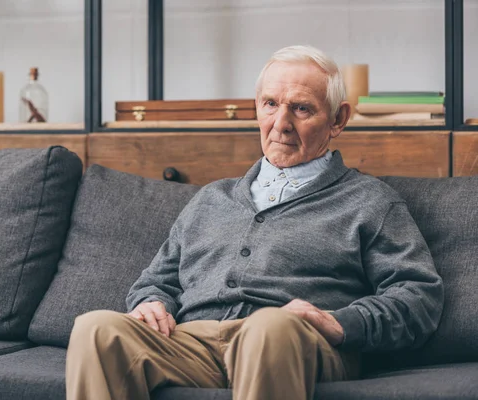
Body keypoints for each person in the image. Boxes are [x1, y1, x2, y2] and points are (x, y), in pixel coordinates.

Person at [65, 45, 444, 400]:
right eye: (270, 104)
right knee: (96, 329)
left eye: (301, 109)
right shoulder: (212, 198)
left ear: (337, 119)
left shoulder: (369, 200)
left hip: (300, 342)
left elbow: (418, 296)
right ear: (256, 109)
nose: (281, 123)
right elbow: (156, 280)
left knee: (270, 326)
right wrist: (151, 302)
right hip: (193, 343)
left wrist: (339, 322)